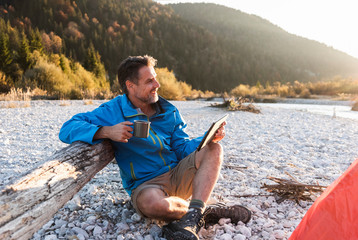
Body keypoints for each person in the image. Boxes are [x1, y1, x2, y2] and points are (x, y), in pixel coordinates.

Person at [59, 55, 251, 240]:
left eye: (156, 79)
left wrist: (207, 139)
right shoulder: (112, 111)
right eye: (150, 81)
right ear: (130, 86)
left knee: (214, 149)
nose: (157, 85)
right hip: (146, 185)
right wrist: (106, 131)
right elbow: (67, 128)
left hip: (177, 174)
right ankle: (203, 211)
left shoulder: (168, 111)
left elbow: (182, 147)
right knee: (152, 205)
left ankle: (193, 214)